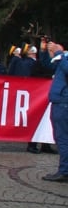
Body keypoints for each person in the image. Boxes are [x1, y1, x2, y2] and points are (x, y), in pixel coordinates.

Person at [41, 41, 68, 182]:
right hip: (61, 101)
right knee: (61, 138)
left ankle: (64, 171)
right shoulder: (64, 58)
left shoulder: (64, 58)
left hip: (64, 103)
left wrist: (59, 53)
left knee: (63, 138)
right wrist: (45, 52)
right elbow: (49, 66)